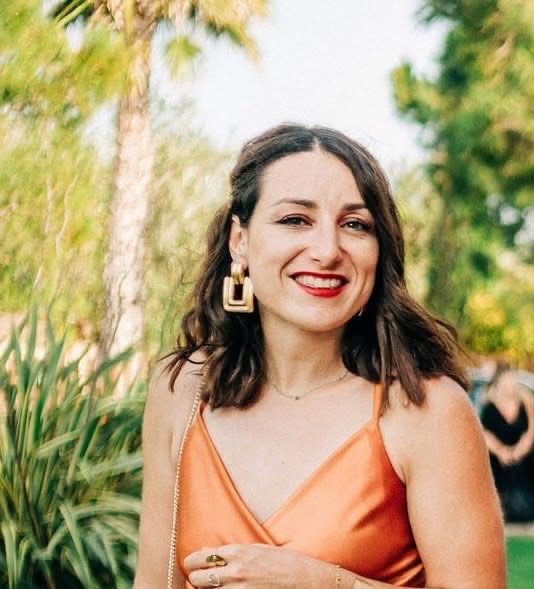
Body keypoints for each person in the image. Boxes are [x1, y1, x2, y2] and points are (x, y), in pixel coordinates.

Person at [133, 124, 505, 589]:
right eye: (295, 220)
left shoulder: (427, 409)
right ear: (239, 241)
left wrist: (325, 583)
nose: (327, 250)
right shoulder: (183, 389)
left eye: (355, 225)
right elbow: (154, 581)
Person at [480, 365, 534, 524]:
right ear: (498, 383)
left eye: (513, 380)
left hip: (523, 456)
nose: (511, 385)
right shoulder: (488, 403)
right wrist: (501, 451)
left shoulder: (526, 399)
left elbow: (533, 427)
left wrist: (520, 450)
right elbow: (483, 431)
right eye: (507, 381)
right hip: (498, 458)